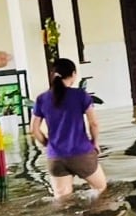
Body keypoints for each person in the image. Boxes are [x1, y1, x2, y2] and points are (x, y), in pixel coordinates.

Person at [30, 58, 106, 199]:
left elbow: (34, 129)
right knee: (100, 189)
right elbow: (93, 123)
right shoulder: (80, 95)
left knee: (62, 199)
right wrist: (95, 143)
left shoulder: (41, 99)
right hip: (81, 153)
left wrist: (48, 144)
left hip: (56, 158)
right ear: (73, 74)